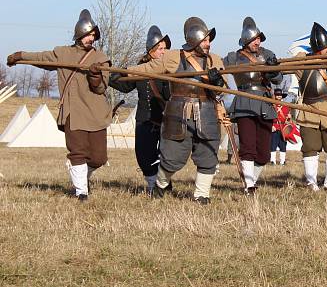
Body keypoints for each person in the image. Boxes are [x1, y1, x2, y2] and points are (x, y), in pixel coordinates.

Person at [7, 9, 112, 201]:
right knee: (77, 151)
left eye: (93, 35)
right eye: (88, 35)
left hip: (95, 112)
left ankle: (83, 178)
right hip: (74, 110)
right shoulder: (62, 53)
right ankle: (81, 192)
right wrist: (20, 55)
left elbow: (100, 89)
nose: (91, 38)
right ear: (79, 35)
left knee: (98, 158)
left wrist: (95, 75)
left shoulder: (101, 58)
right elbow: (40, 57)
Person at [123, 17, 226, 204]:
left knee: (208, 155)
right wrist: (123, 72)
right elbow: (149, 68)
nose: (208, 43)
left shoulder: (215, 60)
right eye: (205, 39)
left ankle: (202, 195)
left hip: (207, 111)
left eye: (209, 40)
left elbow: (222, 89)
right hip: (178, 113)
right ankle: (161, 185)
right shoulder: (172, 57)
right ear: (194, 39)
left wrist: (217, 81)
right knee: (172, 158)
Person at [222, 17, 283, 195]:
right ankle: (249, 186)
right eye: (255, 38)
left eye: (259, 38)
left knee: (264, 154)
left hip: (264, 102)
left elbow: (278, 80)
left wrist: (273, 70)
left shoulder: (268, 54)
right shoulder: (234, 57)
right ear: (246, 41)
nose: (258, 41)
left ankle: (251, 181)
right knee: (247, 147)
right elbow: (219, 69)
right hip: (244, 102)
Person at [109, 25, 171, 195]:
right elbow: (125, 85)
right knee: (143, 156)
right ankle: (153, 185)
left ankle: (164, 185)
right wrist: (109, 76)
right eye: (160, 49)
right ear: (150, 50)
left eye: (165, 49)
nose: (163, 52)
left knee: (166, 156)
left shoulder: (170, 69)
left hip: (166, 118)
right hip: (145, 118)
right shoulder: (139, 68)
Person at [295, 22, 327, 191]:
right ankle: (312, 183)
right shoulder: (303, 62)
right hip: (309, 110)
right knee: (310, 148)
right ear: (318, 47)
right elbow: (286, 68)